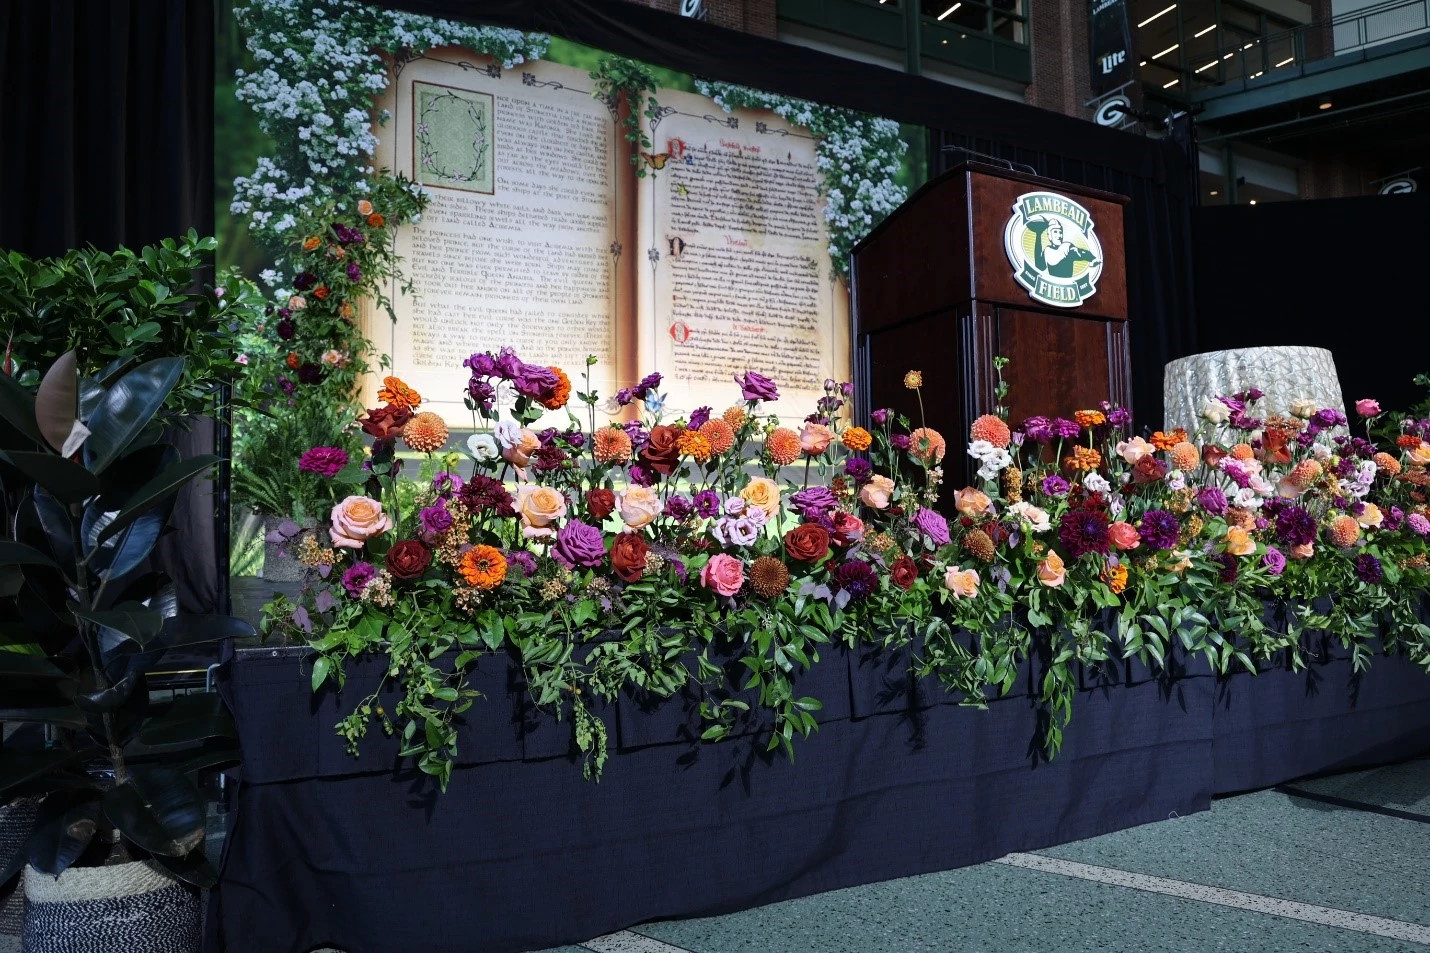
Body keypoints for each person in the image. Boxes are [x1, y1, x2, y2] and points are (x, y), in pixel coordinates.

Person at [1027, 217, 1097, 278]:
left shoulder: (1067, 246)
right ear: (1049, 235)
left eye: (1060, 232)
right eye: (1055, 232)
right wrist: (1038, 234)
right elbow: (1039, 266)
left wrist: (1092, 259)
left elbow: (1080, 252)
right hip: (1053, 285)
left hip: (1067, 284)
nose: (1059, 235)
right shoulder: (1047, 250)